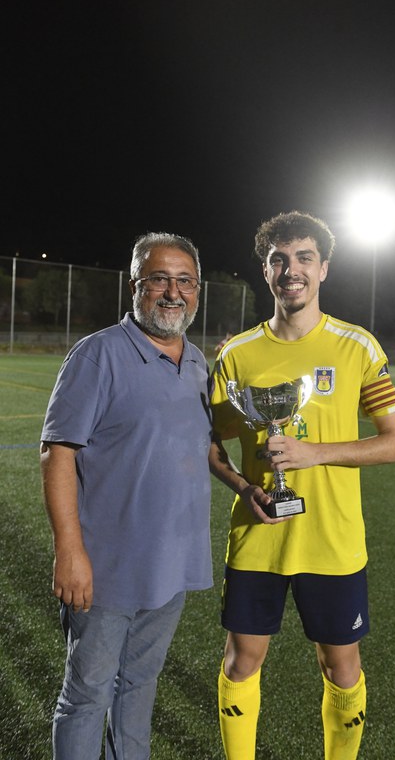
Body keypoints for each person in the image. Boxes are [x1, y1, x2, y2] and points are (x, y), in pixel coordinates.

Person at [208, 211, 395, 760]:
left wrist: (314, 453)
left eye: (303, 258)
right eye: (279, 260)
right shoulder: (236, 354)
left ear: (323, 268)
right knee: (240, 662)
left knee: (340, 668)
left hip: (332, 541)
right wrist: (242, 488)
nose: (290, 270)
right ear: (265, 270)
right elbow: (211, 442)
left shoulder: (357, 347)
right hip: (258, 537)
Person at [40, 232, 213, 759]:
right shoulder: (98, 355)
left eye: (184, 281)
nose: (172, 292)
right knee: (88, 694)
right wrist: (69, 550)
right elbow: (57, 452)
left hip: (171, 567)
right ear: (135, 285)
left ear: (197, 290)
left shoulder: (198, 362)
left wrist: (249, 487)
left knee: (140, 686)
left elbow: (203, 448)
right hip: (104, 569)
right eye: (159, 279)